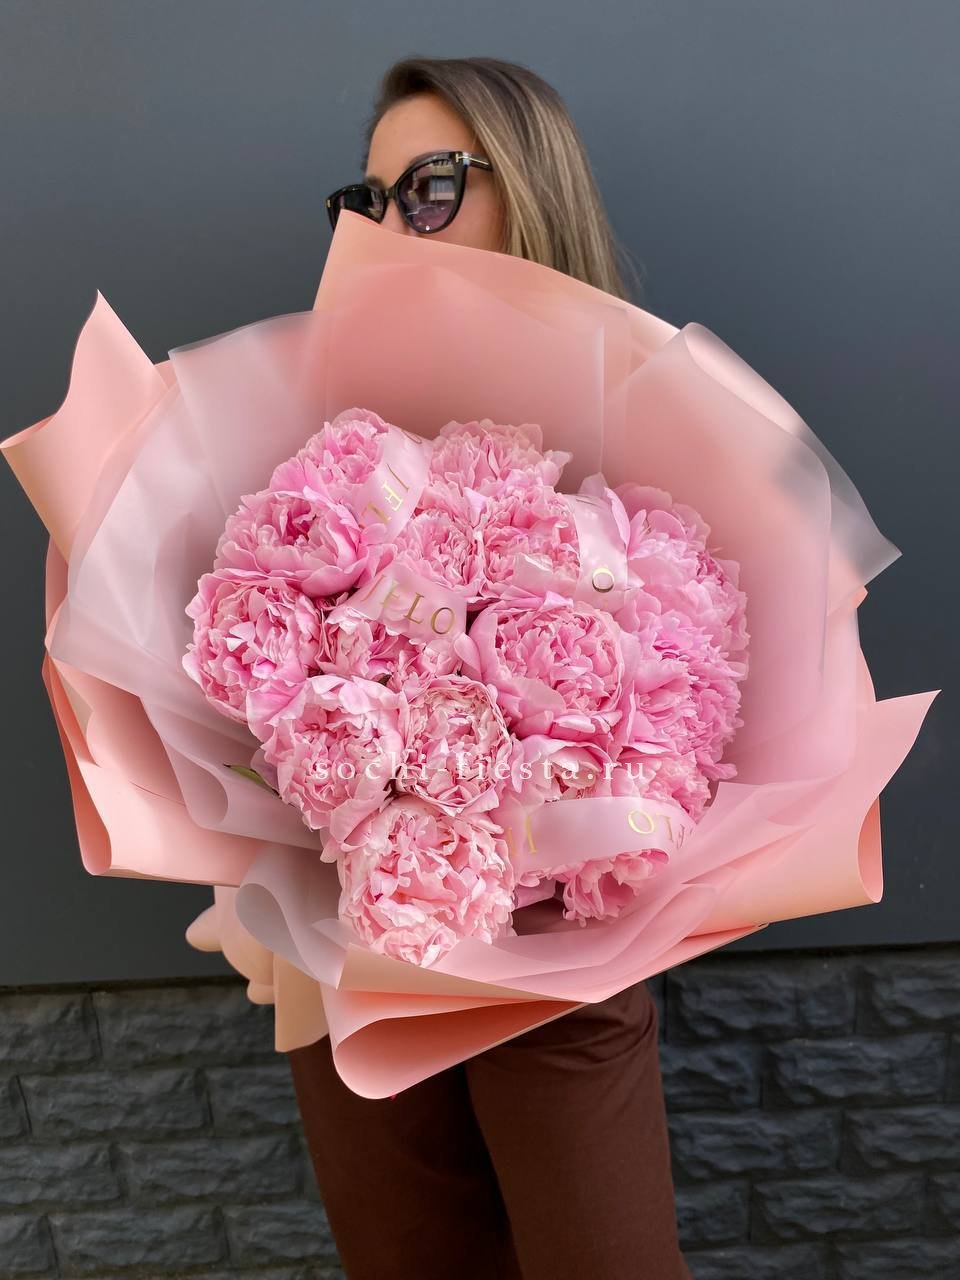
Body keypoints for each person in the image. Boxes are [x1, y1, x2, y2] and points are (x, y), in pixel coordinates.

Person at [287, 55, 691, 1280]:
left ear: (530, 188)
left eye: (430, 187)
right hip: (358, 957)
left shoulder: (648, 419)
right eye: (368, 200)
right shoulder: (323, 439)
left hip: (561, 966)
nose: (388, 228)